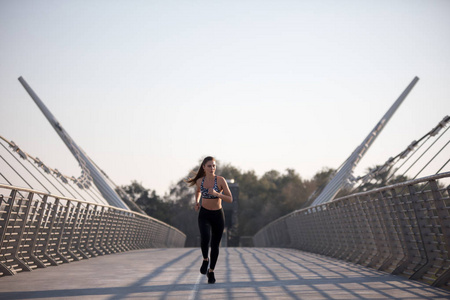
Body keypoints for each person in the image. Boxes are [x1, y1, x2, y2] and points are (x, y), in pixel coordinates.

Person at [187, 156, 233, 284]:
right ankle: (205, 259)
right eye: (209, 166)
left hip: (218, 215)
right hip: (204, 214)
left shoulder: (220, 180)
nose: (212, 168)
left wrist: (217, 194)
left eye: (214, 166)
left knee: (215, 245)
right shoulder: (199, 181)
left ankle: (211, 271)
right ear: (204, 167)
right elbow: (198, 191)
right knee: (205, 237)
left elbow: (230, 199)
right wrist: (196, 202)